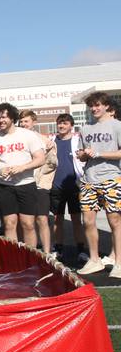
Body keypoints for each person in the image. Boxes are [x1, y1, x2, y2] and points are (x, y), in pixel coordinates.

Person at [0, 103, 45, 245]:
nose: (1, 120)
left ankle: (31, 259)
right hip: (3, 187)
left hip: (26, 184)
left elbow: (41, 158)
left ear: (12, 118)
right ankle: (13, 259)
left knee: (27, 224)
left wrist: (23, 167)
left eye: (4, 117)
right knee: (9, 223)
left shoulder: (27, 135)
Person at [74, 92, 121, 277]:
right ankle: (94, 260)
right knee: (88, 221)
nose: (94, 109)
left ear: (107, 106)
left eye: (98, 105)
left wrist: (99, 153)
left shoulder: (117, 126)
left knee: (115, 221)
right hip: (88, 180)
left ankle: (119, 263)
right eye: (91, 106)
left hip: (112, 178)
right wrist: (83, 154)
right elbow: (82, 155)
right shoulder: (85, 128)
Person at [19, 110, 57, 255]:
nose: (23, 124)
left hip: (40, 185)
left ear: (34, 122)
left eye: (26, 121)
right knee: (26, 221)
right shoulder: (16, 140)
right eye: (21, 121)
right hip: (22, 184)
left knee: (42, 219)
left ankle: (48, 252)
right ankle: (30, 252)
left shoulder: (45, 141)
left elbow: (52, 165)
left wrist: (48, 151)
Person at [50, 113, 87, 261]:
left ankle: (81, 250)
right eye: (59, 123)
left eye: (65, 123)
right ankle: (58, 249)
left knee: (76, 219)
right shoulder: (51, 141)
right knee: (58, 220)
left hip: (74, 186)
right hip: (56, 186)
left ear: (71, 125)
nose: (62, 126)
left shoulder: (78, 141)